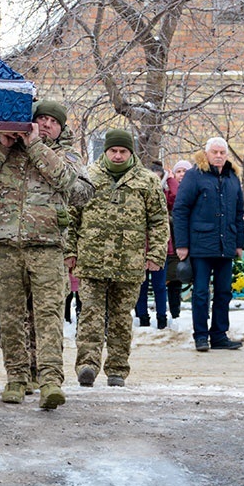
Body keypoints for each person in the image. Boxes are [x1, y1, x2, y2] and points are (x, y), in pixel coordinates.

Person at [0, 99, 93, 409]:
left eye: (53, 121)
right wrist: (1, 146)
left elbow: (68, 182)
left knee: (48, 316)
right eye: (41, 119)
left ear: (60, 128)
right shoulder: (6, 153)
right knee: (10, 317)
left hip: (47, 245)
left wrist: (36, 145)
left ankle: (50, 381)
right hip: (6, 246)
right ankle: (16, 377)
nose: (47, 124)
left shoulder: (66, 155)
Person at [67, 129, 169, 388]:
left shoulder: (146, 181)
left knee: (122, 318)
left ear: (131, 152)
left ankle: (117, 369)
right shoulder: (87, 177)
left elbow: (158, 221)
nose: (118, 155)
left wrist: (156, 253)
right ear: (106, 151)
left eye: (123, 151)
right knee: (90, 315)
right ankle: (87, 365)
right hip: (91, 260)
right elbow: (71, 217)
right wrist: (69, 251)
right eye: (113, 150)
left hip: (129, 262)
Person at [172, 137, 244, 352]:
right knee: (201, 292)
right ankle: (201, 335)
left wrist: (238, 243)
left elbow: (238, 211)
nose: (219, 155)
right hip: (200, 245)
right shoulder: (195, 176)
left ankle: (219, 335)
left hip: (226, 245)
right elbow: (180, 210)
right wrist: (182, 244)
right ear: (206, 154)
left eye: (222, 152)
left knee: (224, 292)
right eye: (215, 152)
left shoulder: (232, 177)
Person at [134, 161, 169, 328]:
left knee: (160, 285)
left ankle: (162, 317)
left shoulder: (167, 191)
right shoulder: (138, 192)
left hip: (159, 246)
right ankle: (143, 317)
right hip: (138, 246)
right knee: (140, 285)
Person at [164, 160, 192, 319]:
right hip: (172, 243)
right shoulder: (169, 191)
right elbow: (174, 199)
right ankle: (174, 313)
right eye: (179, 171)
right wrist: (170, 180)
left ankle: (179, 313)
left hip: (189, 241)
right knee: (172, 279)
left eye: (185, 171)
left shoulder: (194, 190)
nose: (182, 175)